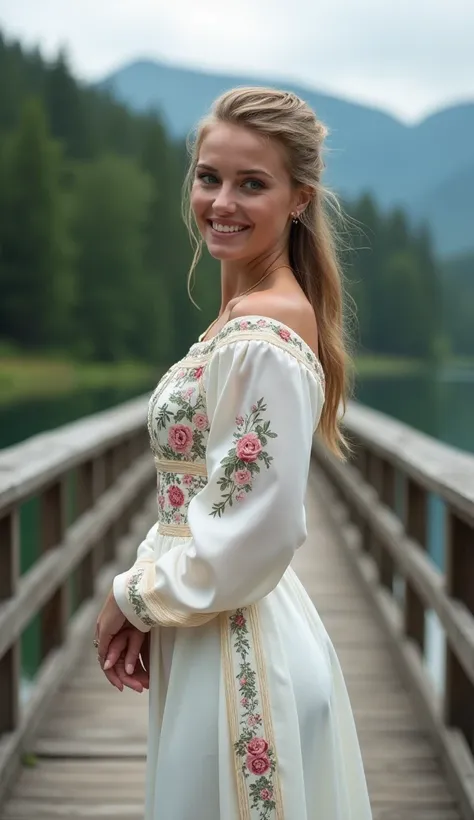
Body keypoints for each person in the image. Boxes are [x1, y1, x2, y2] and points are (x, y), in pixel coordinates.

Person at [95, 86, 372, 819]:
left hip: (241, 653)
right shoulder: (241, 317)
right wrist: (149, 591)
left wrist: (133, 598)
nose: (221, 201)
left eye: (252, 183)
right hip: (212, 630)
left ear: (298, 199)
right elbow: (200, 499)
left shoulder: (264, 329)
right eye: (208, 176)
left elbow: (258, 526)